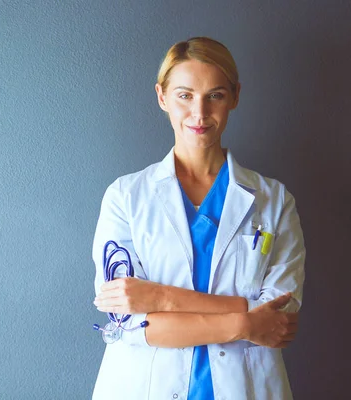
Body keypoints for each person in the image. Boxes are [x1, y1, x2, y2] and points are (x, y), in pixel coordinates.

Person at [91, 37, 305, 400]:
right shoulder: (126, 198)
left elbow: (277, 318)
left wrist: (160, 298)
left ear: (235, 96)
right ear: (162, 97)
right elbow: (128, 324)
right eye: (185, 95)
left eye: (215, 95)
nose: (200, 113)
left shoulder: (274, 201)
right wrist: (243, 322)